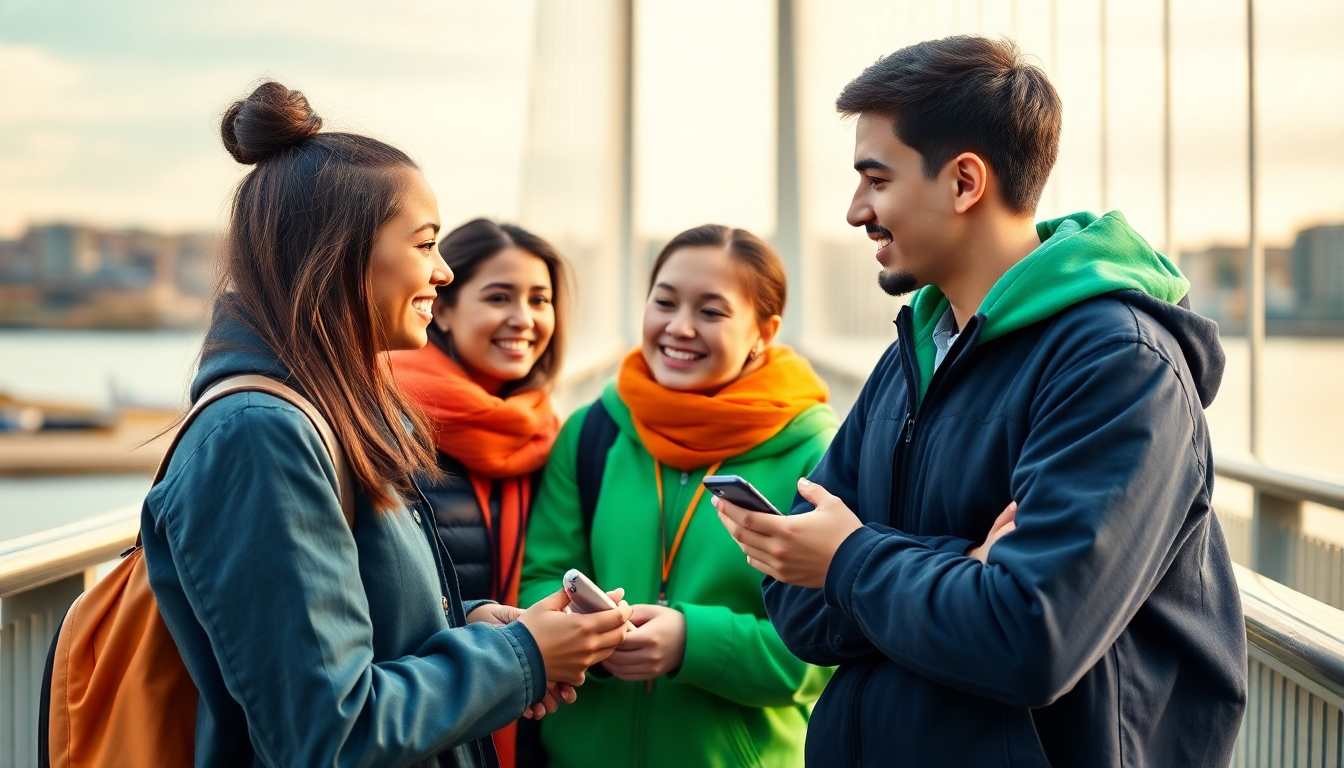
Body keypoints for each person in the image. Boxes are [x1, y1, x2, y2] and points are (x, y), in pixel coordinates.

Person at [715, 36, 1247, 768]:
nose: (853, 210)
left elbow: (1030, 637)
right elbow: (800, 609)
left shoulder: (1118, 363)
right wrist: (961, 562)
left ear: (964, 182)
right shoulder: (913, 356)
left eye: (876, 179)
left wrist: (851, 558)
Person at [141, 81, 632, 768]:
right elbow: (327, 734)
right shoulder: (259, 435)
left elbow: (350, 637)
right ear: (340, 253)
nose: (443, 271)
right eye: (426, 244)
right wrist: (520, 656)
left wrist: (471, 627)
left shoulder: (330, 411)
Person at [519, 224, 837, 768]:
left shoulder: (818, 454)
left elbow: (825, 647)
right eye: (664, 302)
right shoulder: (592, 433)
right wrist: (590, 635)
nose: (679, 327)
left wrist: (694, 642)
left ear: (765, 330)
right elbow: (541, 577)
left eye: (711, 312)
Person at [390, 218, 569, 768]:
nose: (523, 319)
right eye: (499, 297)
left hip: (530, 720)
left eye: (540, 299)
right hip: (420, 728)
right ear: (441, 306)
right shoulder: (386, 426)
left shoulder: (548, 435)